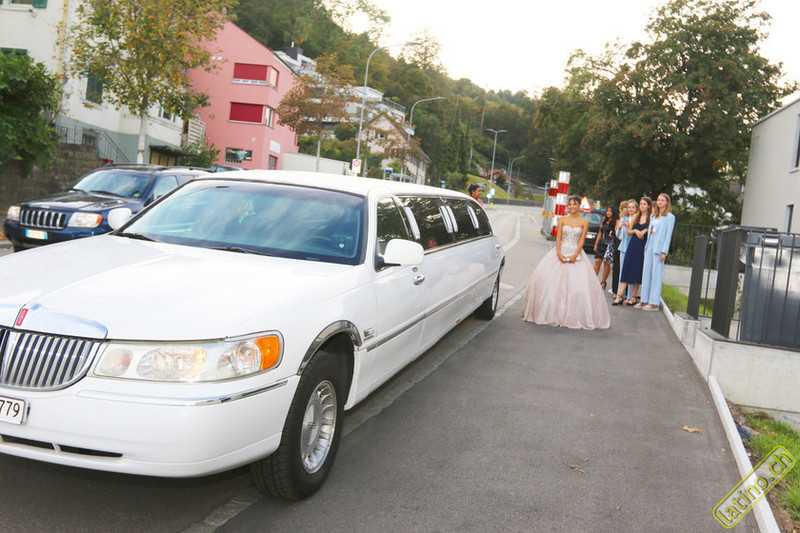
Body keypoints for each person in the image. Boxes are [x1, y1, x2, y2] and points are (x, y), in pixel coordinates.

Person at [523, 195, 610, 329]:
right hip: (561, 251)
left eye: (575, 204)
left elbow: (581, 240)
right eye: (570, 204)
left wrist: (575, 255)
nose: (572, 207)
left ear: (579, 206)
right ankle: (551, 314)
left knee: (579, 286)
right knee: (546, 282)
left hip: (576, 253)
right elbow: (558, 237)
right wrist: (558, 253)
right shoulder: (562, 219)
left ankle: (573, 316)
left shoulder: (584, 222)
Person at [639, 193, 676, 310]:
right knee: (646, 272)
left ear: (667, 203)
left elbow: (668, 235)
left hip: (659, 246)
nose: (660, 202)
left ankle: (654, 302)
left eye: (662, 200)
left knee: (656, 274)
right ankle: (644, 299)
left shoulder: (670, 217)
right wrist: (646, 246)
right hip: (650, 243)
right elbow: (650, 232)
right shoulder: (653, 215)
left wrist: (664, 251)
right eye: (658, 200)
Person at [613, 197, 652, 306]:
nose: (642, 206)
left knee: (637, 270)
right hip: (632, 244)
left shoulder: (651, 218)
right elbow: (629, 231)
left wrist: (645, 230)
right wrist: (635, 230)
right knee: (626, 268)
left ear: (648, 206)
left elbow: (653, 230)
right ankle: (619, 296)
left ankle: (633, 297)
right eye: (641, 204)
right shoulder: (636, 216)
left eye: (644, 204)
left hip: (642, 245)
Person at [613, 199, 637, 302]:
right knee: (622, 270)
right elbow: (618, 235)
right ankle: (620, 295)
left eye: (633, 207)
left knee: (631, 271)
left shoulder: (636, 220)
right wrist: (620, 227)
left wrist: (629, 228)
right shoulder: (624, 219)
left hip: (633, 247)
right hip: (623, 247)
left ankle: (630, 296)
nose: (630, 209)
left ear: (636, 209)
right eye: (629, 207)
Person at [593, 206, 618, 290]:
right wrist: (596, 244)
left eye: (610, 211)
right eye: (607, 211)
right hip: (601, 242)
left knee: (606, 263)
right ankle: (593, 280)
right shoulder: (604, 220)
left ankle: (603, 282)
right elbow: (599, 233)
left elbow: (616, 233)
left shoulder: (616, 221)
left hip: (609, 244)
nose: (608, 212)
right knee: (597, 261)